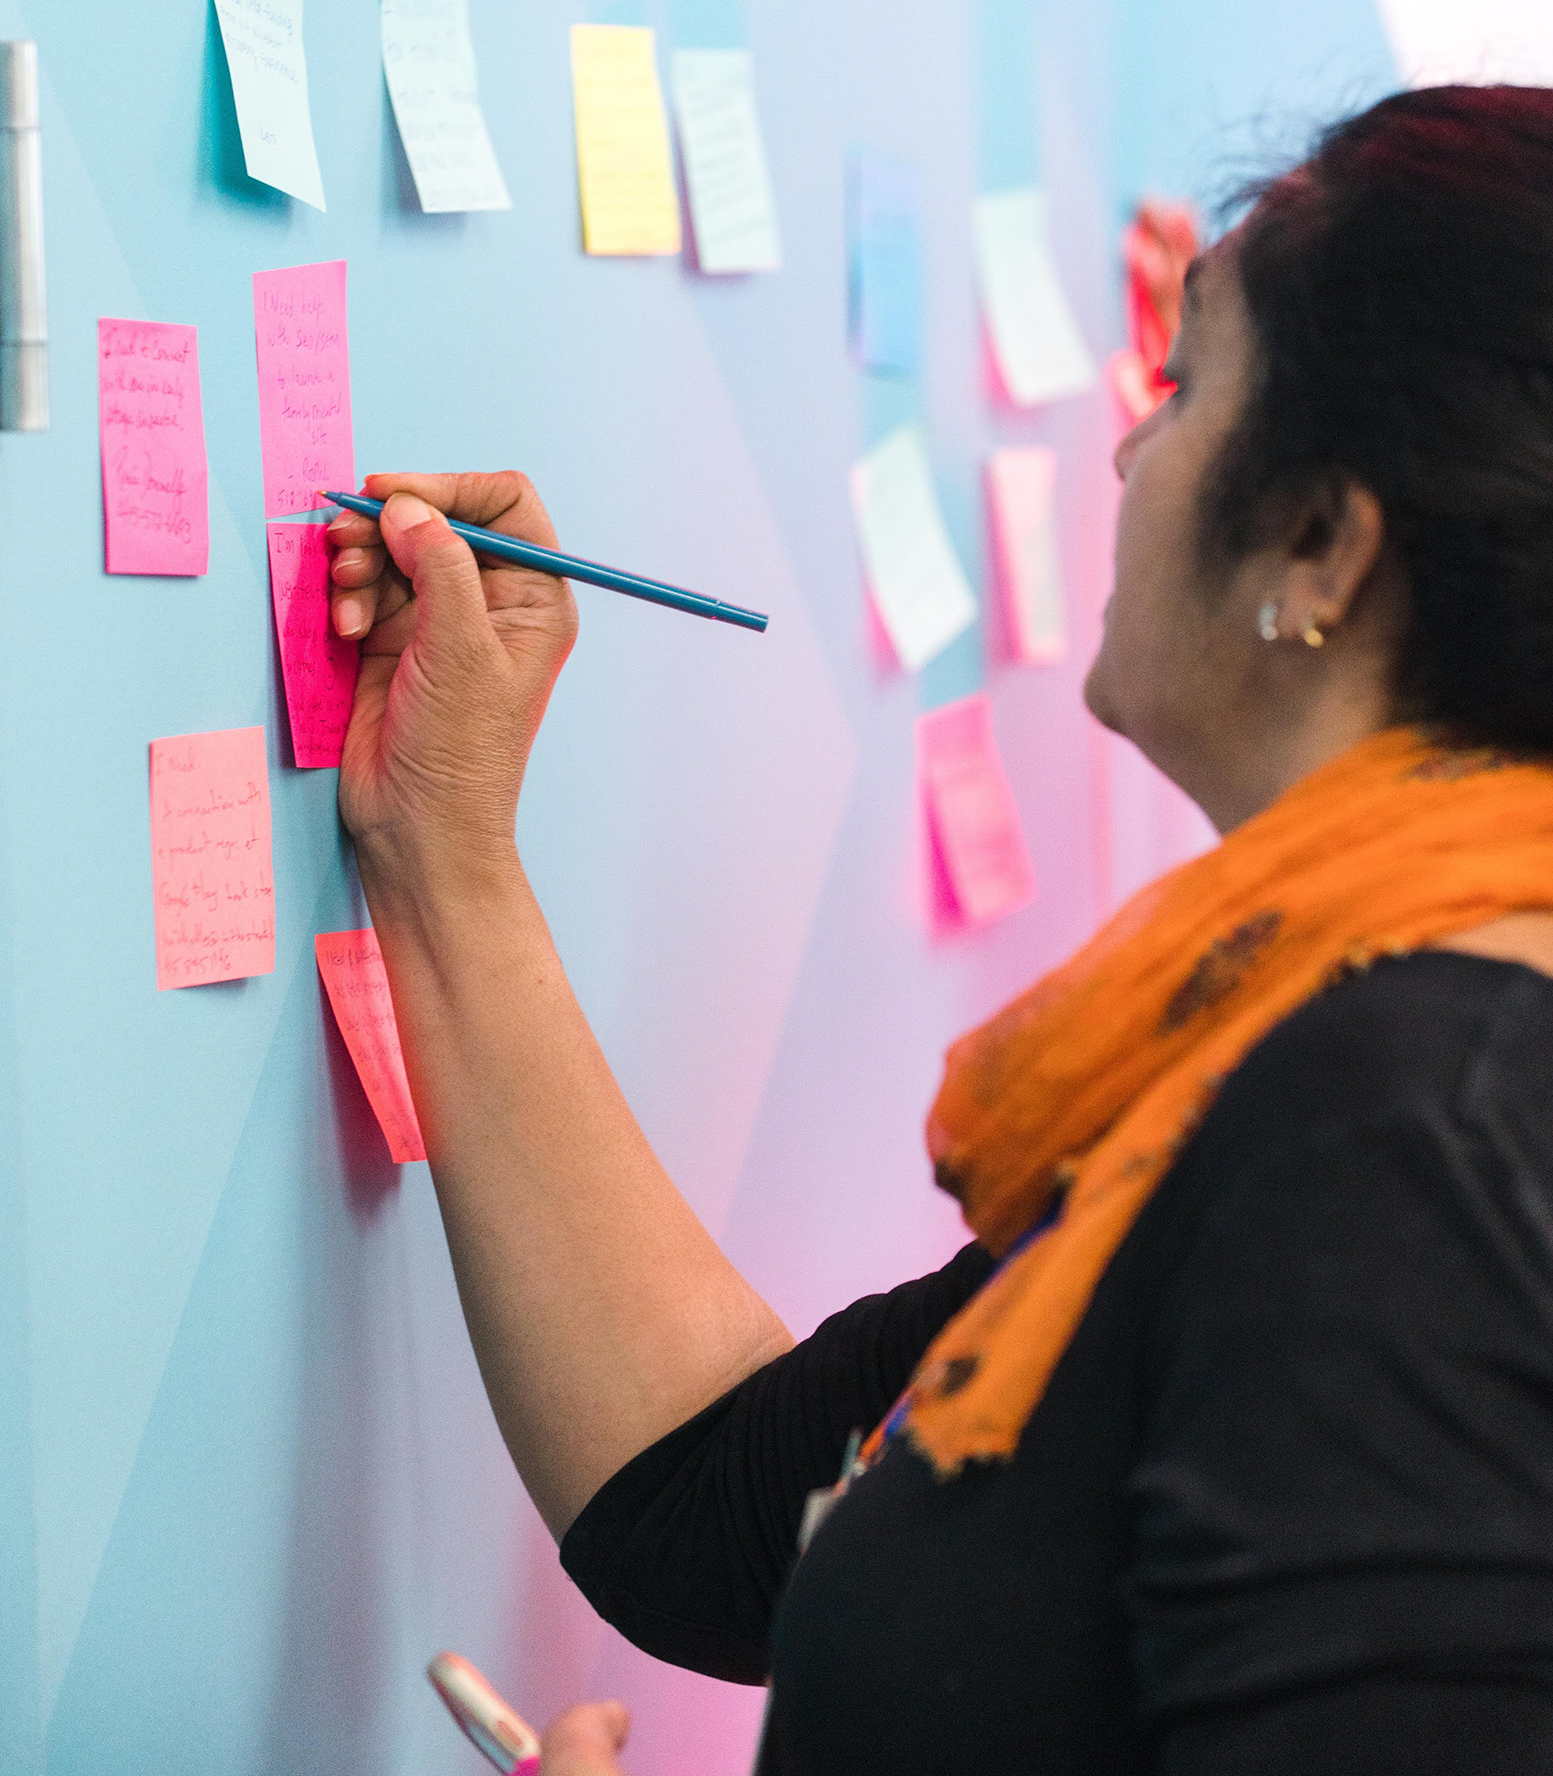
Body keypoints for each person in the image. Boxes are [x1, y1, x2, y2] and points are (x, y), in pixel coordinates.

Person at [326, 86, 1553, 1774]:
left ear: (1323, 542)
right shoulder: (1343, 1055)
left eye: (1187, 383)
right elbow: (718, 1505)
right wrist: (441, 848)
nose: (1128, 443)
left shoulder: (1410, 1139)